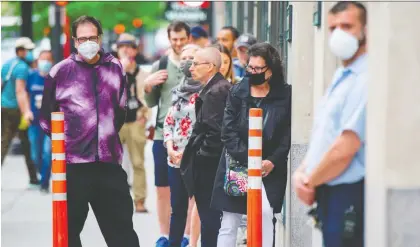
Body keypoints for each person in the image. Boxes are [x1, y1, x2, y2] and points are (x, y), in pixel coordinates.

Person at [39, 15, 139, 247]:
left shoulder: (115, 69)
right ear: (75, 41)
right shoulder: (60, 72)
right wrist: (68, 144)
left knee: (122, 232)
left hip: (109, 164)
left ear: (100, 38)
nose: (87, 42)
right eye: (82, 38)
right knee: (69, 232)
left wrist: (105, 138)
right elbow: (46, 119)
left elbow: (120, 111)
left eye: (92, 37)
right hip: (74, 167)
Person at [292, 2, 367, 247]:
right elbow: (324, 134)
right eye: (333, 28)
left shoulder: (365, 78)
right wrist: (302, 171)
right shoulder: (342, 76)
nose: (339, 34)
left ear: (365, 29)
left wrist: (310, 180)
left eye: (347, 26)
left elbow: (346, 145)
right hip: (327, 190)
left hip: (348, 194)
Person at [211, 43, 291, 247]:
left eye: (257, 69)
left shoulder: (285, 95)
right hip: (238, 163)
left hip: (269, 167)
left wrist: (272, 161)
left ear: (270, 70)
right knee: (230, 222)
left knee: (265, 215)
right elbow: (227, 131)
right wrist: (250, 160)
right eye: (250, 68)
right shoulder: (238, 91)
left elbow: (287, 134)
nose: (252, 72)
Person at [143, 20, 191, 247]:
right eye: (175, 39)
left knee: (190, 191)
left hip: (190, 138)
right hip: (163, 135)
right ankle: (164, 235)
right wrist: (148, 85)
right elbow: (151, 103)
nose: (179, 43)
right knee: (163, 189)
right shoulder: (160, 65)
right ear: (169, 39)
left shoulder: (195, 63)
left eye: (182, 39)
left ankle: (187, 236)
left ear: (188, 38)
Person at [180, 47, 231, 247]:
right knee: (211, 222)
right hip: (211, 165)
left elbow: (215, 132)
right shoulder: (215, 87)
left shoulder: (216, 91)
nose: (190, 68)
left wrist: (200, 158)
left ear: (210, 67)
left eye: (195, 63)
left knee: (210, 223)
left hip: (209, 168)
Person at [163, 44, 202, 247]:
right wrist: (169, 147)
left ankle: (194, 243)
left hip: (198, 157)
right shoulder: (178, 90)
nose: (187, 62)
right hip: (175, 158)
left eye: (192, 58)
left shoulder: (207, 91)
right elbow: (169, 122)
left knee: (199, 205)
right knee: (177, 208)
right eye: (184, 57)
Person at [116, 33, 151, 213]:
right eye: (122, 46)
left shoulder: (143, 74)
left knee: (138, 163)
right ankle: (113, 201)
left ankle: (139, 200)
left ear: (135, 50)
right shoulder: (111, 71)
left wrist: (144, 114)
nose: (125, 49)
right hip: (116, 123)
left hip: (135, 121)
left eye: (129, 46)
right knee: (113, 164)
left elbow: (149, 98)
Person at [1, 37, 38, 184]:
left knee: (19, 141)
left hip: (3, 107)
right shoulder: (22, 67)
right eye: (28, 50)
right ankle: (33, 177)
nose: (30, 53)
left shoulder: (7, 64)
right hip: (16, 110)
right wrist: (27, 111)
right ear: (21, 51)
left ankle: (33, 177)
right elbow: (20, 91)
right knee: (10, 142)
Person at [27, 50, 54, 193]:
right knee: (35, 154)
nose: (45, 62)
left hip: (49, 123)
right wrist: (26, 111)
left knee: (47, 153)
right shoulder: (31, 77)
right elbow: (23, 93)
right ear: (37, 61)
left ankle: (44, 182)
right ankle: (40, 172)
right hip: (34, 122)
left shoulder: (54, 78)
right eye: (43, 59)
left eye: (48, 59)